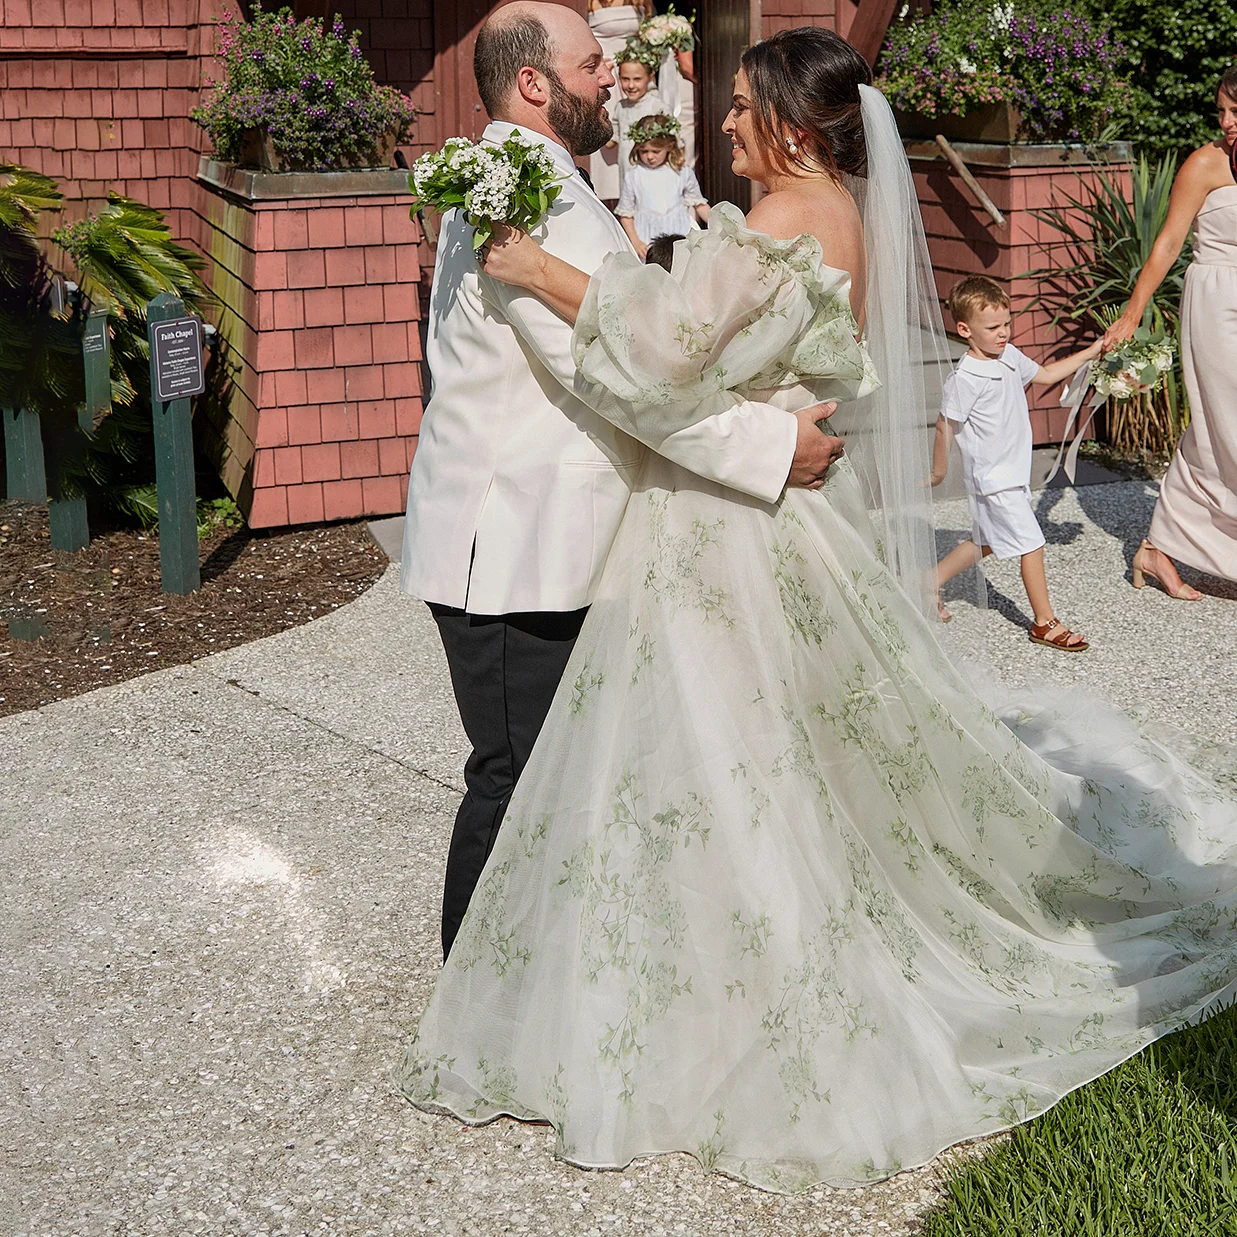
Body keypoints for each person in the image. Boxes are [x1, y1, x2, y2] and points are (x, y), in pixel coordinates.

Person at [398, 26, 1237, 1194]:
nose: (722, 121)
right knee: (748, 768)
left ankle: (728, 999)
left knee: (727, 773)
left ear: (791, 123)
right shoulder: (832, 212)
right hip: (756, 520)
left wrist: (538, 268)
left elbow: (663, 351)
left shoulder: (778, 222)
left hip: (720, 534)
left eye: (741, 106)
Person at [400, 3, 845, 960]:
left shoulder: (532, 181)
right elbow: (627, 381)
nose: (614, 76)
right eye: (592, 63)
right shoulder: (527, 201)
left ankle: (544, 987)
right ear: (534, 84)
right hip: (514, 549)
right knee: (521, 777)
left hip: (542, 539)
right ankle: (480, 990)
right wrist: (772, 448)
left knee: (557, 772)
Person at [1102, 66, 1237, 600]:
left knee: (1216, 433)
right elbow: (1166, 245)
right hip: (1218, 305)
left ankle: (1158, 547)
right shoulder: (1205, 163)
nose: (1225, 122)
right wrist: (1133, 313)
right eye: (1221, 112)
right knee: (1226, 428)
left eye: (1235, 112)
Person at [931, 276, 1101, 646]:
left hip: (1013, 472)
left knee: (987, 540)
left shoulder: (1009, 356)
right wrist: (938, 471)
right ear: (965, 329)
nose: (1003, 333)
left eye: (1007, 323)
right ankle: (1044, 622)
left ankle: (927, 584)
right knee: (1031, 542)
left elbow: (1046, 375)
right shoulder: (965, 378)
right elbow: (945, 423)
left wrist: (1092, 352)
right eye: (992, 327)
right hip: (992, 478)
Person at [614, 114, 708, 258]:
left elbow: (699, 204)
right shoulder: (634, 175)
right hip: (647, 239)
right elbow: (626, 214)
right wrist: (635, 241)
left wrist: (719, 224)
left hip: (679, 235)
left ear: (669, 146)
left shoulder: (682, 172)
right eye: (644, 151)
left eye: (656, 151)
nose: (650, 156)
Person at [587, 0, 650, 201]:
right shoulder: (589, 3)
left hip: (636, 76)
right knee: (607, 147)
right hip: (608, 76)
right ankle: (609, 207)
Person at [609, 41, 665, 194]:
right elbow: (611, 141)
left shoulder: (656, 106)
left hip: (651, 170)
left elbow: (670, 142)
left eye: (637, 79)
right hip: (626, 170)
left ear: (650, 77)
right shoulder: (620, 106)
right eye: (625, 79)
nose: (631, 85)